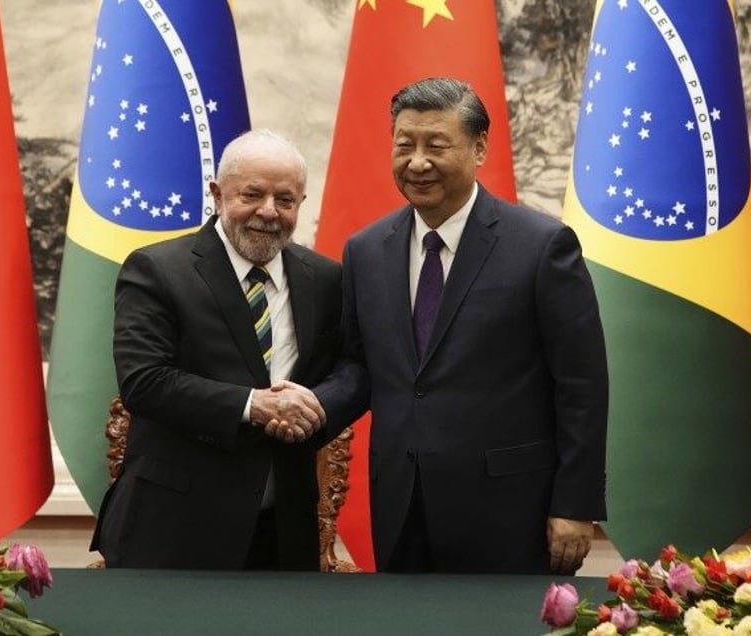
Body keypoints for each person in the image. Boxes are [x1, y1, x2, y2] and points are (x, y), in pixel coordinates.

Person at [310, 77, 609, 574]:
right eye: (404, 145)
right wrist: (310, 406)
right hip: (401, 505)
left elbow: (581, 384)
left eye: (436, 145)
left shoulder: (541, 246)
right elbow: (361, 367)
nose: (417, 162)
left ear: (479, 148)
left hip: (509, 509)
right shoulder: (365, 250)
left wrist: (574, 504)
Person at [91, 129, 339, 570]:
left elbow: (351, 370)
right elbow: (144, 381)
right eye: (252, 194)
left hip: (283, 532)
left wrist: (314, 407)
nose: (268, 211)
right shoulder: (157, 269)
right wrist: (253, 405)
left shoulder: (326, 278)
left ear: (301, 204)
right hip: (175, 527)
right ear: (217, 194)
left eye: (285, 199)